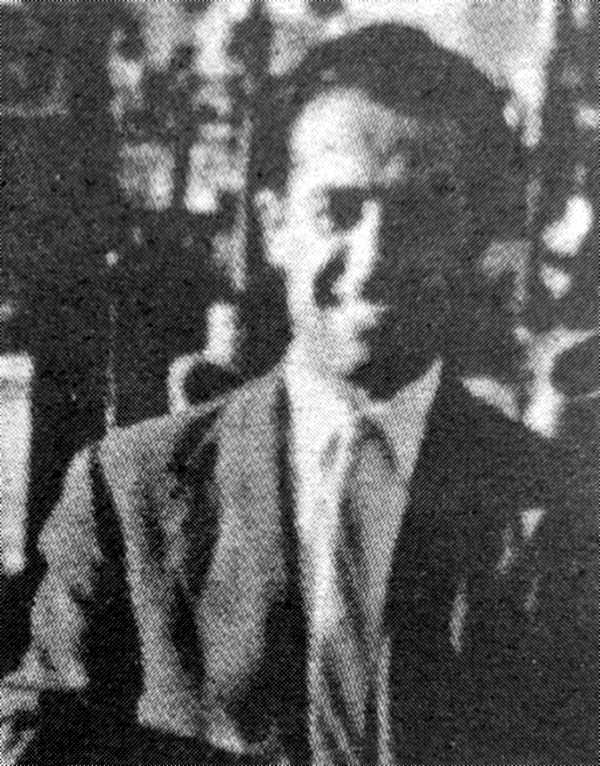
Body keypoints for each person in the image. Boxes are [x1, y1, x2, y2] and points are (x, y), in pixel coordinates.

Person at [0, 24, 591, 764]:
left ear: (474, 241)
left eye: (420, 215)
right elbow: (35, 740)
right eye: (337, 210)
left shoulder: (559, 508)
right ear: (275, 226)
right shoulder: (129, 492)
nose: (373, 260)